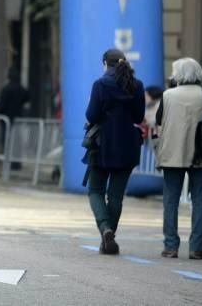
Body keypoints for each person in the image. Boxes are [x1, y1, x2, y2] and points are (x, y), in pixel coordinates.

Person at [84, 49, 145, 255]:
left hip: (102, 144)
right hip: (127, 145)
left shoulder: (100, 84)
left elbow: (92, 114)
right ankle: (109, 236)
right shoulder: (136, 86)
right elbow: (138, 117)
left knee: (95, 190)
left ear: (105, 63)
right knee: (116, 196)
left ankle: (105, 229)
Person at [153, 58, 202, 260]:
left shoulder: (168, 95)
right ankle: (197, 247)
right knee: (199, 200)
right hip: (201, 154)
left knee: (170, 201)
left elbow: (159, 120)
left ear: (178, 75)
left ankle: (170, 246)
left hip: (173, 154)